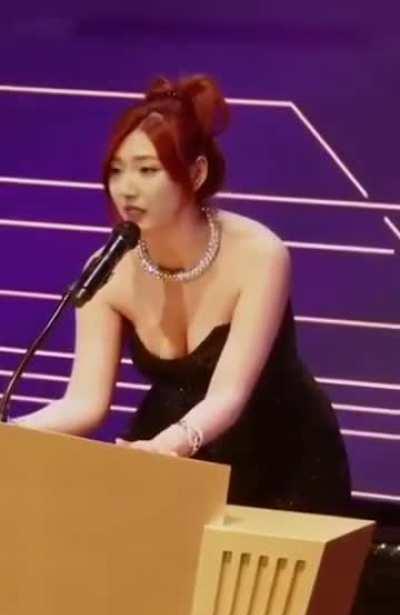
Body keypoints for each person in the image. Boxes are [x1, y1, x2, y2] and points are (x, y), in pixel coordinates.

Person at [16, 73, 351, 516]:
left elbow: (227, 396)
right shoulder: (107, 268)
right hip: (167, 451)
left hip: (281, 456)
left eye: (147, 170)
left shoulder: (258, 254)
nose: (126, 188)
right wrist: (11, 433)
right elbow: (84, 403)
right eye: (116, 170)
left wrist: (166, 449)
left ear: (196, 173)